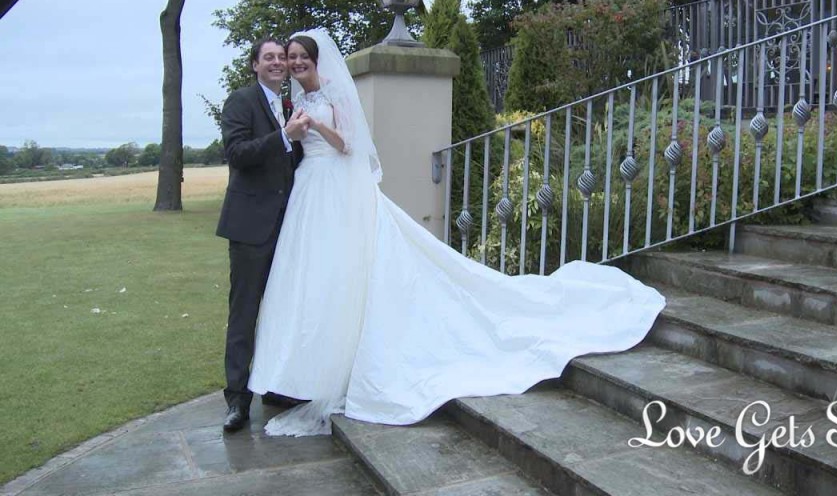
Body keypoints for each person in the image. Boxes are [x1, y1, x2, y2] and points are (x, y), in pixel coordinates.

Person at [246, 29, 666, 436]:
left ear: (316, 60)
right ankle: (301, 371)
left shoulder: (335, 93)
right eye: (290, 56)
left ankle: (340, 364)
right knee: (311, 277)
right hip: (308, 189)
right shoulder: (296, 97)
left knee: (352, 270)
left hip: (337, 188)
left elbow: (349, 145)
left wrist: (314, 128)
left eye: (302, 56)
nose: (295, 62)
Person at [215, 38, 311, 432]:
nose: (277, 63)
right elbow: (236, 153)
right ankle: (237, 400)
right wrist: (285, 136)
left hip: (287, 229)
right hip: (251, 228)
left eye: (280, 59)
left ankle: (274, 385)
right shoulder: (241, 101)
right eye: (268, 58)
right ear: (255, 64)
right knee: (245, 314)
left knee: (281, 310)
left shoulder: (289, 105)